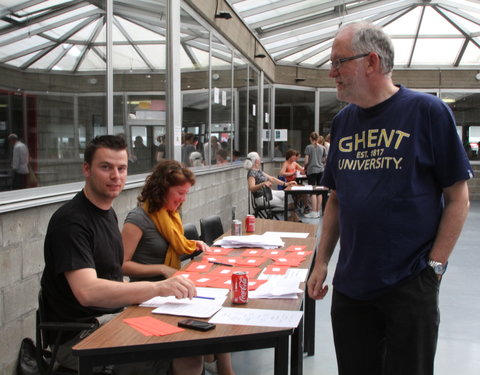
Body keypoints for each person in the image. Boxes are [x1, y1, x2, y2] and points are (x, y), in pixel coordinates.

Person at [307, 22, 472, 375]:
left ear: (371, 62)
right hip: (352, 286)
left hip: (410, 283)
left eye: (339, 62)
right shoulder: (343, 122)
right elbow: (337, 197)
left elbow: (458, 199)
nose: (331, 72)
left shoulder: (428, 112)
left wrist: (435, 268)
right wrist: (322, 262)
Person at [40, 135, 198, 375]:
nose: (116, 176)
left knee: (191, 340)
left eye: (121, 168)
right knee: (179, 351)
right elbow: (88, 292)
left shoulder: (106, 213)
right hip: (79, 337)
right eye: (106, 167)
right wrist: (157, 288)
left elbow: (113, 275)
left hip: (112, 317)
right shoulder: (71, 222)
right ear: (87, 169)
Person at [121, 159, 235, 375]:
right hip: (148, 298)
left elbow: (175, 247)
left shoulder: (171, 215)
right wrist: (161, 269)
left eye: (186, 194)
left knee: (220, 308)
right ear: (163, 189)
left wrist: (193, 246)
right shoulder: (137, 219)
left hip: (172, 291)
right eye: (179, 193)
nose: (183, 199)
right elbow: (122, 266)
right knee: (194, 351)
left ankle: (226, 371)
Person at [303, 132, 327, 218]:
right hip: (321, 170)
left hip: (311, 170)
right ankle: (317, 211)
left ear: (310, 138)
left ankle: (313, 212)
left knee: (313, 190)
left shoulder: (308, 147)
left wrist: (305, 167)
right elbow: (325, 160)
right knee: (319, 190)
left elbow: (306, 161)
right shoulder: (323, 148)